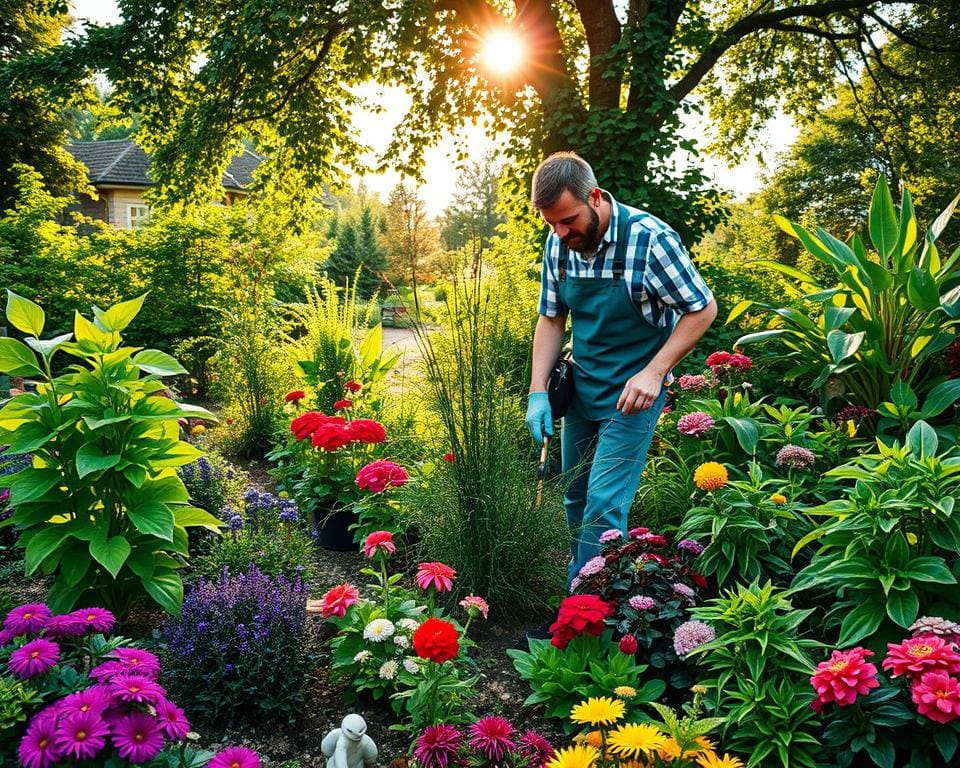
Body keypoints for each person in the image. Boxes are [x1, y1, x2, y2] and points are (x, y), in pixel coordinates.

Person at [525, 152, 716, 589]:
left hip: (632, 397)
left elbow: (701, 309)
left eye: (569, 219)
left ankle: (591, 613)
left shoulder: (650, 240)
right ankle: (586, 588)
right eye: (551, 223)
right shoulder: (559, 243)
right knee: (574, 494)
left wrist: (655, 371)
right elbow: (552, 317)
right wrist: (539, 390)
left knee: (604, 505)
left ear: (595, 197)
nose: (560, 232)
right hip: (582, 389)